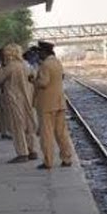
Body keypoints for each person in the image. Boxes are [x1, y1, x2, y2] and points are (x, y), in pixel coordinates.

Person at [32, 42, 75, 170]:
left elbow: (44, 83)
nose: (39, 54)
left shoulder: (45, 65)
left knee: (47, 134)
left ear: (44, 52)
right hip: (59, 102)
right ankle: (66, 158)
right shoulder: (57, 62)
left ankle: (48, 161)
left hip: (46, 104)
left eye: (40, 52)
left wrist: (33, 81)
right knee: (61, 133)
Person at [0, 44, 39, 163]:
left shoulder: (10, 67)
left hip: (14, 99)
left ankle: (22, 153)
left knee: (17, 125)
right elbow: (33, 77)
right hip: (28, 98)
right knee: (29, 124)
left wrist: (0, 67)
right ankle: (32, 150)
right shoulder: (26, 65)